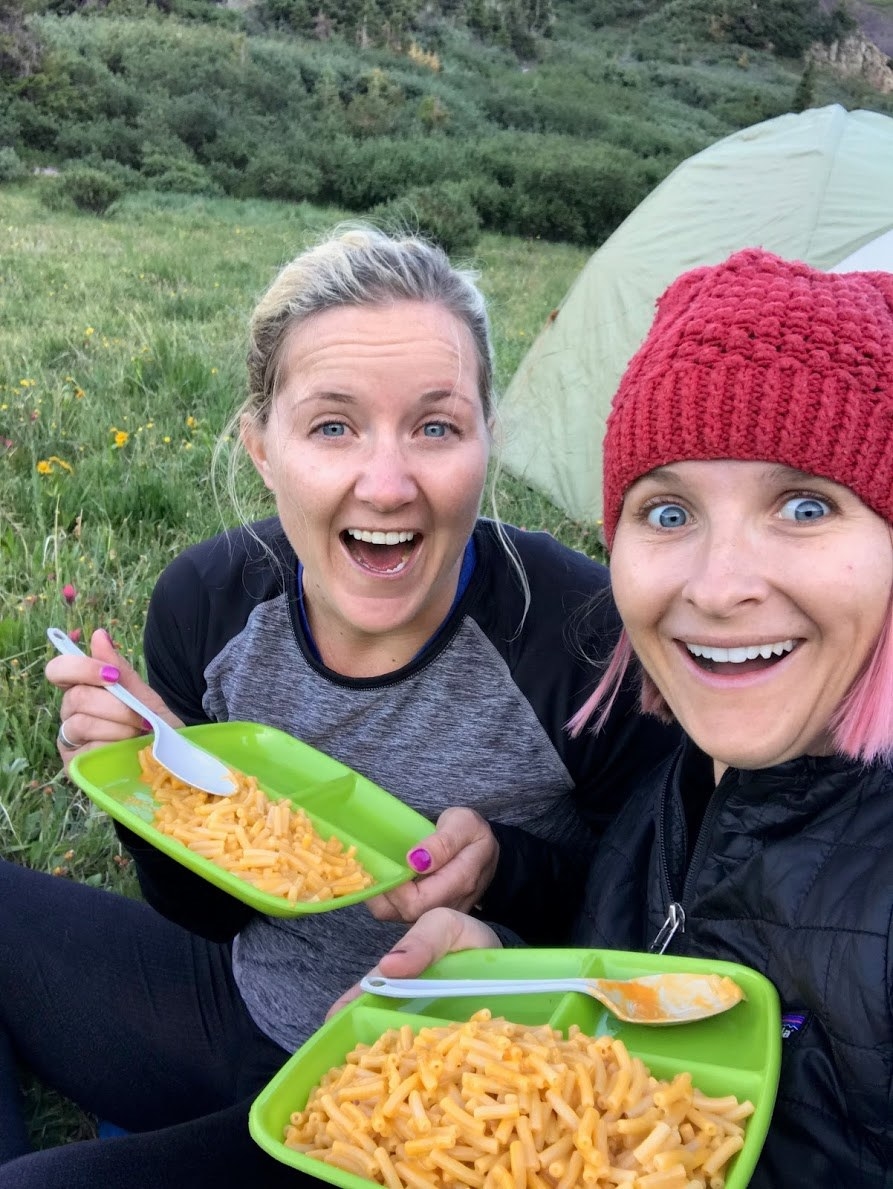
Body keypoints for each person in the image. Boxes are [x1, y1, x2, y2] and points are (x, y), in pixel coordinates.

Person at [1, 226, 675, 1187]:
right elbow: (204, 912)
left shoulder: (580, 633)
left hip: (431, 1093)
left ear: (487, 439)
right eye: (332, 425)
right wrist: (158, 792)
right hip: (238, 1003)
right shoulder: (207, 601)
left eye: (436, 426)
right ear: (262, 447)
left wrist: (504, 873)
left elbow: (655, 917)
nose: (388, 481)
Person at [355, 248, 893, 1186]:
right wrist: (502, 938)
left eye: (804, 505)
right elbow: (648, 953)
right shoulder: (678, 771)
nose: (718, 586)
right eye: (668, 512)